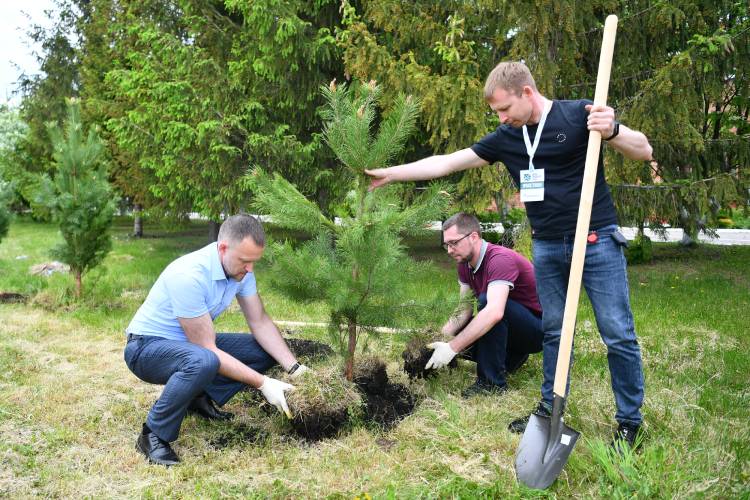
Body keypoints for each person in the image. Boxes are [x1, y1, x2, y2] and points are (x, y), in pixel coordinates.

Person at [367, 61, 652, 448]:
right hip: (549, 246)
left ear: (527, 93)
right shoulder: (508, 136)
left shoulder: (578, 114)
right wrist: (392, 173)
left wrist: (614, 130)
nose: (501, 118)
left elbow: (644, 150)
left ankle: (629, 422)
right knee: (554, 331)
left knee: (617, 333)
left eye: (504, 109)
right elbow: (447, 162)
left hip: (595, 239)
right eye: (497, 113)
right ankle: (550, 410)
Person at [124, 214, 308, 465]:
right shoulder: (189, 275)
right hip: (146, 349)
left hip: (190, 346)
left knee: (264, 351)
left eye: (255, 261)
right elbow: (206, 348)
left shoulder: (242, 272)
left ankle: (196, 396)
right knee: (203, 360)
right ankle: (152, 434)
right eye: (245, 261)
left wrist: (294, 368)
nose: (250, 269)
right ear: (223, 248)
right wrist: (264, 384)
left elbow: (260, 322)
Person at [426, 212, 544, 398]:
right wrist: (440, 339)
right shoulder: (465, 264)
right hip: (511, 329)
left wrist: (452, 348)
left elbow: (495, 311)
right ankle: (510, 358)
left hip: (537, 331)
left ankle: (491, 384)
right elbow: (463, 311)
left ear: (473, 237)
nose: (449, 250)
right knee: (466, 325)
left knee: (486, 303)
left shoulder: (499, 259)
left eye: (454, 243)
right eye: (446, 245)